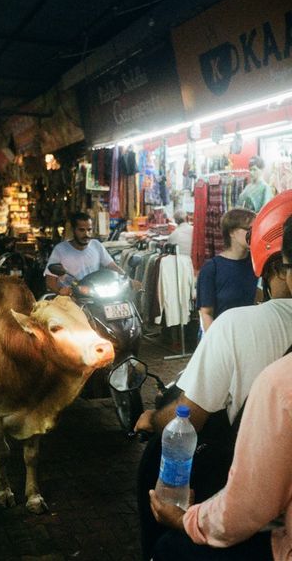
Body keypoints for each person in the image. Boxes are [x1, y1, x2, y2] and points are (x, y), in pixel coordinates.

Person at [135, 190, 292, 561]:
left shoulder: (262, 359)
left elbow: (190, 417)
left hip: (275, 534)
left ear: (274, 267)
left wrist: (187, 519)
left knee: (169, 549)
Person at [197, 207, 257, 332]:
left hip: (249, 333)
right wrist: (215, 341)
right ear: (232, 232)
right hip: (221, 335)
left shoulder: (255, 263)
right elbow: (206, 313)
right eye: (249, 229)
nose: (254, 233)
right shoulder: (212, 268)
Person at [44, 211, 125, 295]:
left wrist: (128, 279)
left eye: (89, 230)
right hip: (71, 297)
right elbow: (50, 281)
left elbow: (112, 266)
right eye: (81, 230)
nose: (86, 234)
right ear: (73, 230)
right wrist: (60, 290)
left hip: (96, 294)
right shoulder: (60, 249)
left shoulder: (96, 245)